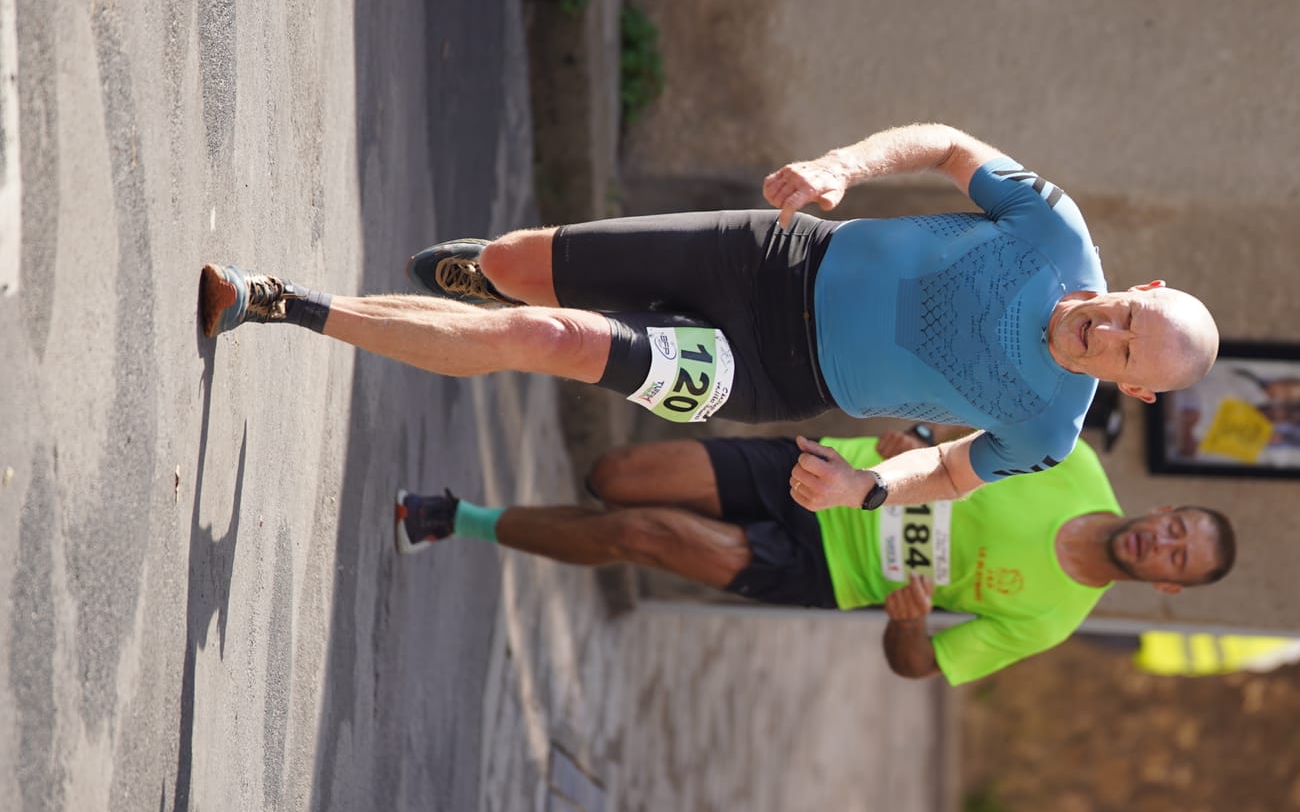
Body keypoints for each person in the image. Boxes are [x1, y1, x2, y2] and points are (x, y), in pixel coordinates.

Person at [200, 123, 1218, 513]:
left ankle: (284, 303)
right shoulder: (1053, 226)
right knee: (520, 269)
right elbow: (949, 147)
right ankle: (494, 277)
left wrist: (868, 486)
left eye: (1128, 354)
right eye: (1130, 314)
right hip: (769, 251)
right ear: (1148, 284)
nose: (1108, 333)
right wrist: (840, 168)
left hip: (766, 376)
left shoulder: (1045, 428)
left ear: (1131, 385)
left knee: (548, 340)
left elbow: (950, 470)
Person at [394, 425, 1238, 685]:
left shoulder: (1054, 617)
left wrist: (908, 626)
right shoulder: (1072, 462)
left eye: (1177, 559)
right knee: (615, 476)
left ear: (1167, 587)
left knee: (638, 534)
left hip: (831, 571)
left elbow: (920, 665)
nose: (1162, 544)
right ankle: (521, 517)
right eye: (1176, 528)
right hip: (825, 471)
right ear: (1163, 509)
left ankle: (457, 518)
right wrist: (911, 436)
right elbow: (950, 428)